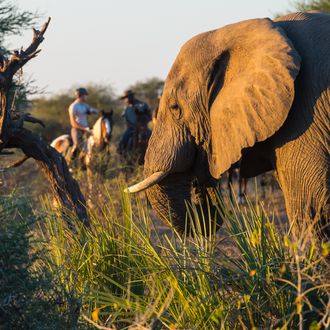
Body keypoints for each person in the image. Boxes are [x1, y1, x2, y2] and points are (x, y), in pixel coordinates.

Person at [68, 87, 98, 160]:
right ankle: (70, 163)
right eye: (85, 95)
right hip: (76, 129)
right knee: (77, 145)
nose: (86, 97)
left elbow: (91, 110)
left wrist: (93, 111)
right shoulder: (73, 106)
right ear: (80, 95)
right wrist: (84, 128)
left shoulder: (85, 105)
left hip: (86, 129)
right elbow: (73, 122)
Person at [118, 90, 151, 155]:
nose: (126, 100)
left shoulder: (143, 105)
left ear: (132, 96)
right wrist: (131, 126)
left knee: (154, 137)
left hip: (143, 127)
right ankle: (122, 154)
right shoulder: (126, 108)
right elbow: (126, 119)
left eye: (127, 97)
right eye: (125, 98)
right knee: (123, 140)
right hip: (130, 128)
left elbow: (149, 116)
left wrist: (143, 124)